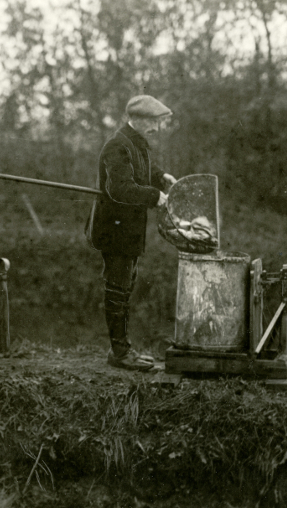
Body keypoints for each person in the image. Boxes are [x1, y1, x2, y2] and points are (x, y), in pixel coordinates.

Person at [85, 94, 177, 371]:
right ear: (135, 119)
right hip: (115, 230)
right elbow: (120, 189)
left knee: (125, 286)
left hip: (130, 230)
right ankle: (120, 352)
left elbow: (143, 170)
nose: (157, 129)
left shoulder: (137, 144)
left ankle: (122, 348)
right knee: (117, 289)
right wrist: (155, 196)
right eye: (153, 122)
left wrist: (161, 177)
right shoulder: (117, 146)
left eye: (158, 123)